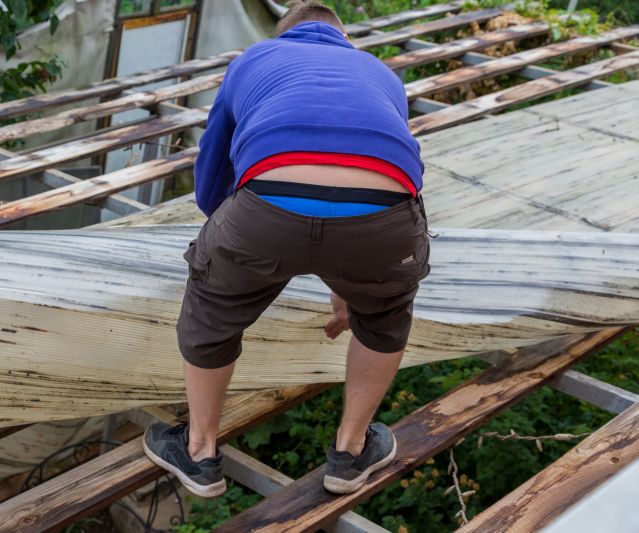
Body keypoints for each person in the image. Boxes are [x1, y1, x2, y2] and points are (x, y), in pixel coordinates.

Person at [142, 0, 429, 497]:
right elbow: (365, 173)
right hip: (384, 218)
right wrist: (350, 284)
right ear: (344, 38)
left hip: (266, 209)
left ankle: (200, 452)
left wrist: (231, 249)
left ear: (284, 35)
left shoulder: (254, 60)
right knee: (385, 312)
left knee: (213, 307)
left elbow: (212, 176)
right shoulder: (381, 73)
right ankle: (351, 451)